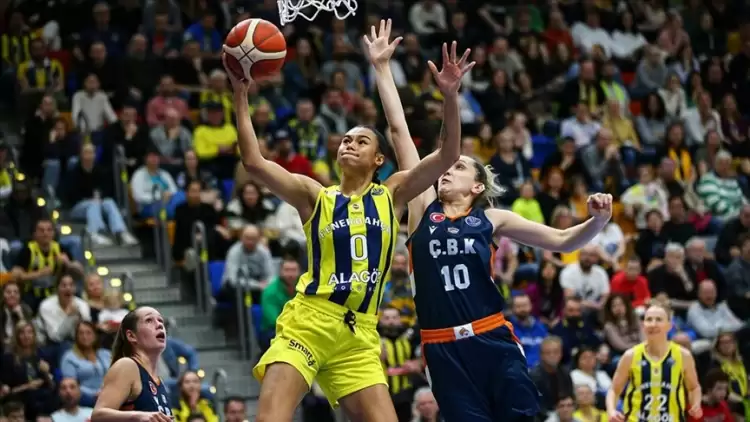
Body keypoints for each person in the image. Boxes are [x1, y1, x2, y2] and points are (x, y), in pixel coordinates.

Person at [228, 19, 470, 422]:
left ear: (379, 160)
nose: (349, 144)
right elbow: (253, 162)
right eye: (345, 139)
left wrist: (449, 96)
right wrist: (239, 94)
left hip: (360, 334)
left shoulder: (390, 194)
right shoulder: (314, 196)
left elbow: (447, 156)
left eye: (361, 140)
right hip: (310, 321)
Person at [371, 22, 614, 422]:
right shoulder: (421, 209)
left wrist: (599, 219)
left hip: (492, 337)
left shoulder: (491, 217)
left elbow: (564, 240)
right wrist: (382, 67)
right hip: (442, 348)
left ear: (478, 185)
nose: (447, 169)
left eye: (460, 166)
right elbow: (399, 132)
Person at [605, 303, 703, 422]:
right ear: (643, 325)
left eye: (659, 320)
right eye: (649, 320)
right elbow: (614, 389)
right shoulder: (631, 356)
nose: (653, 324)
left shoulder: (683, 355)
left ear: (669, 325)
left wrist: (696, 404)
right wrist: (611, 411)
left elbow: (693, 387)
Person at [91, 306, 173, 421]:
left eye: (160, 320)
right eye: (149, 320)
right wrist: (138, 416)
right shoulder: (127, 366)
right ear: (131, 336)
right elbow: (97, 416)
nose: (159, 325)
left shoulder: (159, 380)